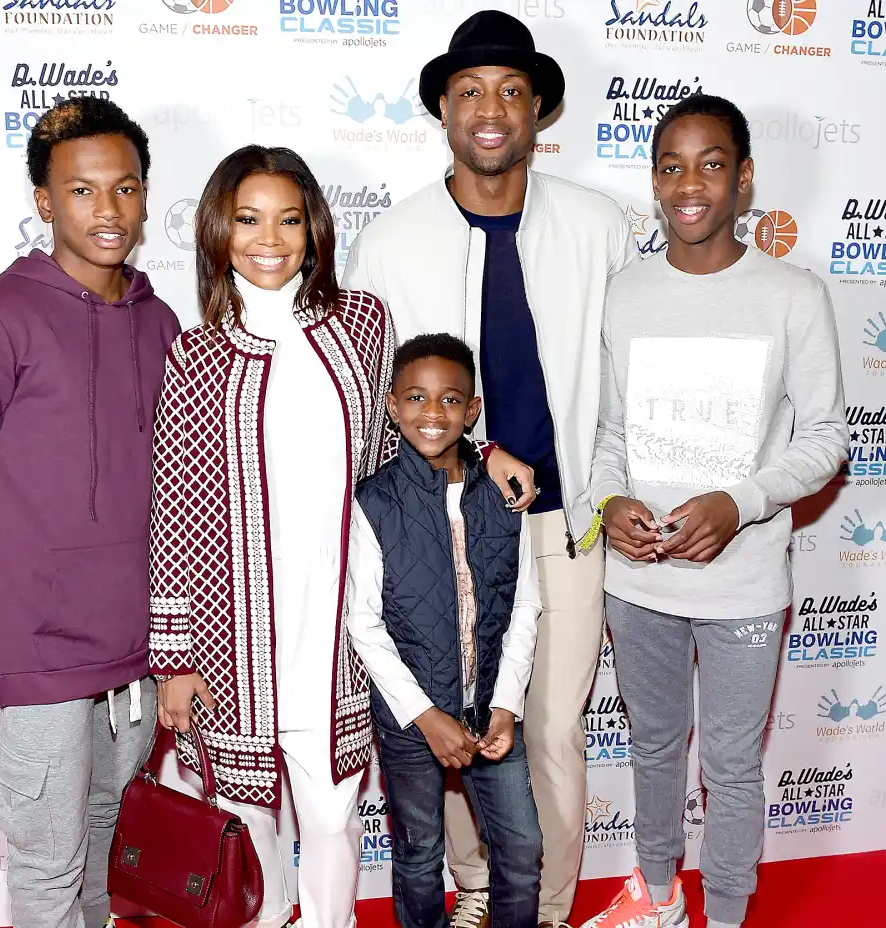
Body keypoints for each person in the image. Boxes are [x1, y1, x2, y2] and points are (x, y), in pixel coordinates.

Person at [148, 144, 538, 928]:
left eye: (289, 220)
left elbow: (411, 432)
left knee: (331, 819)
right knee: (250, 829)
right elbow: (174, 513)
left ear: (315, 230)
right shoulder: (194, 355)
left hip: (341, 631)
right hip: (235, 642)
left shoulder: (362, 325)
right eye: (248, 220)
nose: (269, 239)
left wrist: (485, 450)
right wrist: (174, 658)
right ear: (219, 231)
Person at [343, 10, 637, 927]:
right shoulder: (390, 241)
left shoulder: (597, 225)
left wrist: (608, 490)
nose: (490, 109)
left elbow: (622, 382)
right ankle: (476, 887)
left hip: (562, 524)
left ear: (537, 108)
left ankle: (544, 907)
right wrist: (475, 454)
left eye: (511, 90)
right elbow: (383, 404)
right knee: (460, 722)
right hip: (441, 529)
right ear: (442, 108)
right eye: (469, 91)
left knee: (548, 729)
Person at [581, 94, 849, 928]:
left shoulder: (793, 295)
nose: (689, 184)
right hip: (639, 584)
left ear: (744, 178)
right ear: (655, 182)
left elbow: (828, 437)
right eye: (671, 166)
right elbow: (609, 432)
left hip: (744, 587)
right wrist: (610, 501)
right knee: (655, 750)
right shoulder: (623, 294)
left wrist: (741, 502)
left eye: (710, 164)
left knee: (731, 766)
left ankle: (726, 915)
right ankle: (658, 898)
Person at [0, 97, 179, 928]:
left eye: (125, 188)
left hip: (136, 643)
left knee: (105, 842)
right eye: (82, 190)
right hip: (37, 638)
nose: (108, 210)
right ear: (44, 201)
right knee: (45, 863)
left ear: (145, 196)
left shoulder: (162, 321)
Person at [348, 333, 544, 928]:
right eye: (415, 397)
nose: (432, 412)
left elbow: (524, 603)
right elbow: (364, 622)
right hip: (412, 721)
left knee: (522, 849)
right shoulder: (373, 501)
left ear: (472, 410)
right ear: (392, 405)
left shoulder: (505, 495)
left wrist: (506, 704)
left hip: (490, 712)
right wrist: (425, 716)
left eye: (450, 399)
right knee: (417, 856)